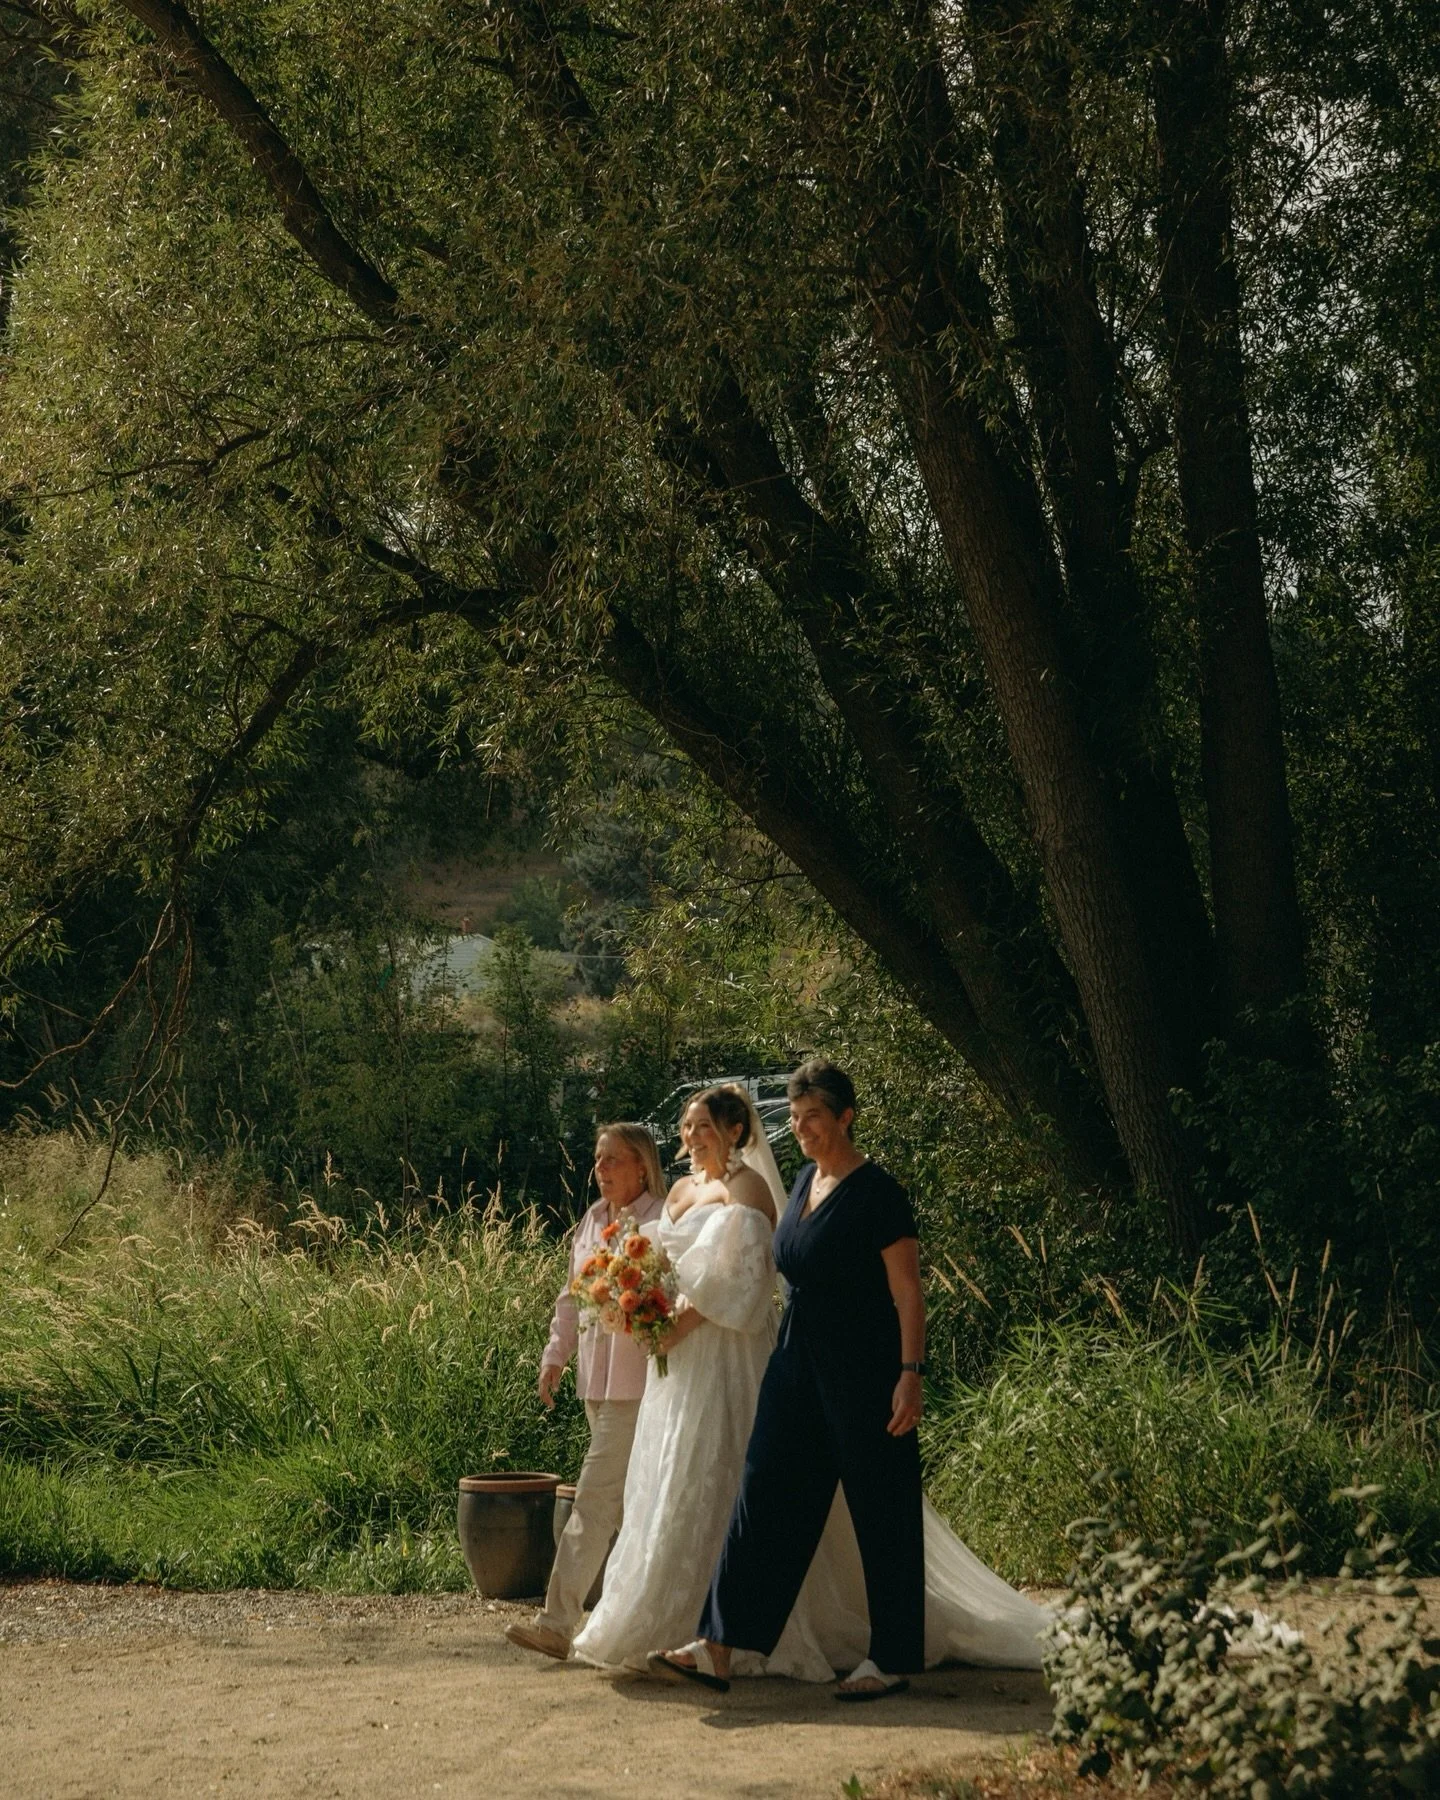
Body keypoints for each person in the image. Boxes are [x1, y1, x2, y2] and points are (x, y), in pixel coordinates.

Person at [651, 1058, 1048, 1698]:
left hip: (866, 1366)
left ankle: (890, 1658)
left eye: (816, 1117)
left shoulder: (879, 1193)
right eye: (798, 1117)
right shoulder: (806, 1180)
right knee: (766, 1491)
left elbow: (909, 1294)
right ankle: (720, 1644)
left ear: (845, 1117)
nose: (804, 1128)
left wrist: (910, 1374)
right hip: (797, 1360)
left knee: (880, 1505)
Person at [568, 1084, 787, 1672]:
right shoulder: (684, 1189)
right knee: (671, 1474)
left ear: (736, 1132)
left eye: (704, 1129)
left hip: (726, 1352)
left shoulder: (748, 1190)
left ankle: (725, 1628)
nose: (691, 1138)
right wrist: (634, 1302)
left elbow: (742, 1284)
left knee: (718, 1465)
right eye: (687, 1127)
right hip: (677, 1358)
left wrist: (675, 1327)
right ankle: (667, 1618)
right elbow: (662, 1265)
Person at [504, 1122, 665, 1662]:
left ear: (641, 1165)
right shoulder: (594, 1219)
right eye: (598, 1160)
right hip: (594, 1381)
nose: (601, 1169)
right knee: (626, 1507)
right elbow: (572, 1296)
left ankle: (557, 1621)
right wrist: (555, 1356)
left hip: (640, 1383)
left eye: (612, 1160)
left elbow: (668, 1296)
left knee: (594, 1500)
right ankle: (660, 1620)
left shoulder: (661, 1220)